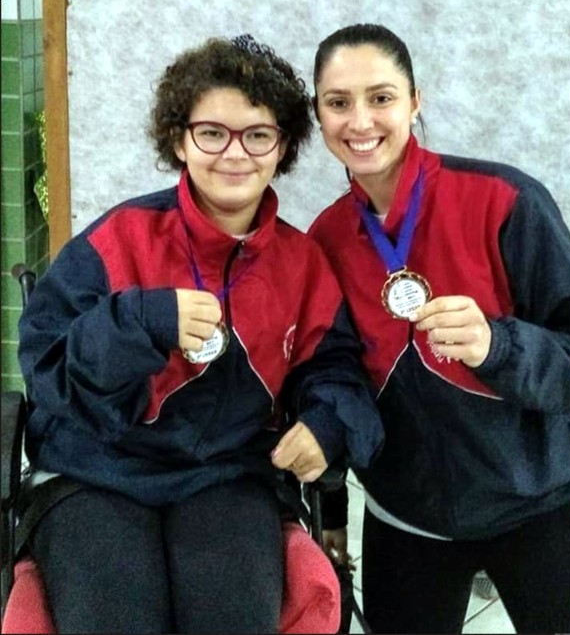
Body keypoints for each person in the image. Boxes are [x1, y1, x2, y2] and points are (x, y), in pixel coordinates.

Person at [16, 35, 383, 633]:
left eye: (258, 134)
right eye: (212, 133)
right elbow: (48, 367)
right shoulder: (118, 239)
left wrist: (328, 424)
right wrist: (140, 322)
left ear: (282, 146)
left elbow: (334, 367)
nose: (234, 154)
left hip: (228, 474)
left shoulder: (302, 263)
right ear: (180, 139)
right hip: (95, 470)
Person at [307, 23, 570, 634]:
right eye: (338, 102)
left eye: (381, 97)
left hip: (534, 505)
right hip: (406, 517)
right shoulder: (324, 240)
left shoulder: (505, 200)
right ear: (318, 115)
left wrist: (498, 346)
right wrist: (328, 500)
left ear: (414, 102)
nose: (360, 121)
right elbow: (334, 375)